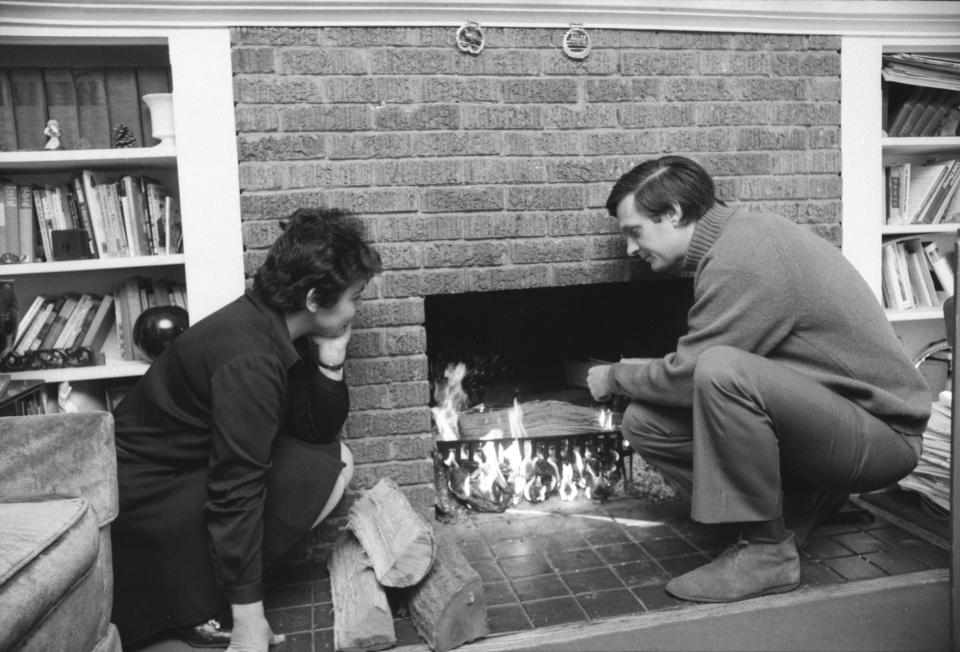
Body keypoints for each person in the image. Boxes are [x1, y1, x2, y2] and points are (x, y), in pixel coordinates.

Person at [587, 156, 929, 603]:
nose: (631, 249)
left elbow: (694, 374)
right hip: (837, 424)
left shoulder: (743, 256)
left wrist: (615, 376)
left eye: (635, 232)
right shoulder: (736, 239)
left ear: (671, 213)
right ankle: (799, 506)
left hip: (883, 439)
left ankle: (768, 552)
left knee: (721, 370)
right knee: (644, 422)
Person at [111, 208, 381, 650]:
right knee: (300, 475)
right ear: (314, 299)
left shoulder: (269, 324)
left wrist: (332, 357)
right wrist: (250, 619)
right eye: (354, 296)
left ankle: (205, 591)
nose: (356, 308)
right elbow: (236, 488)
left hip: (178, 477)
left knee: (331, 461)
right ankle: (200, 607)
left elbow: (316, 432)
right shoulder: (251, 359)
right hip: (145, 504)